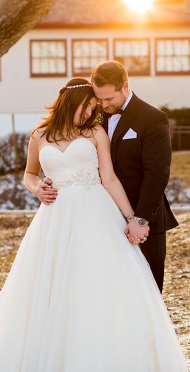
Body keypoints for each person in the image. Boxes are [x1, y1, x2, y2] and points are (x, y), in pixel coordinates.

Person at [0, 78, 187, 372]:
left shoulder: (95, 133)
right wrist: (37, 189)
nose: (92, 112)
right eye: (88, 106)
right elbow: (29, 174)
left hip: (96, 214)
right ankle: (57, 366)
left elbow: (109, 178)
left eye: (95, 107)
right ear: (71, 102)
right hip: (56, 217)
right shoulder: (39, 135)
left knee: (98, 285)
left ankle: (109, 363)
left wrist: (132, 218)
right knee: (54, 287)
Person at [36, 61, 178, 292]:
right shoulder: (92, 116)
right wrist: (51, 179)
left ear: (125, 86)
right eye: (99, 100)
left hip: (142, 215)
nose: (103, 105)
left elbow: (157, 174)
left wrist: (140, 219)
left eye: (109, 99)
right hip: (98, 216)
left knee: (147, 289)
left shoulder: (152, 118)